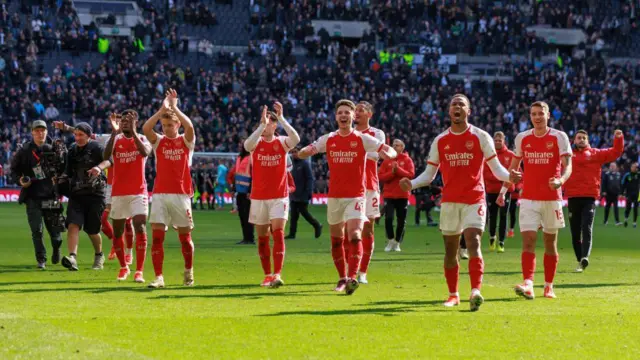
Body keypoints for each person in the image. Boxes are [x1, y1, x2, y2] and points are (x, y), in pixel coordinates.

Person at [399, 94, 520, 311]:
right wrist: (413, 184)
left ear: (468, 111)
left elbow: (496, 169)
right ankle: (453, 294)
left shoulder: (481, 136)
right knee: (450, 249)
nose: (457, 107)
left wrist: (509, 177)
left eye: (461, 104)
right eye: (454, 104)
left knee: (473, 241)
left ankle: (475, 291)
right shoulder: (440, 140)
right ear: (449, 111)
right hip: (450, 202)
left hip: (474, 198)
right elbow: (429, 174)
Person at [298, 99, 396, 295]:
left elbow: (386, 149)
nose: (343, 115)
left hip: (356, 196)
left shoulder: (362, 138)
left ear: (353, 117)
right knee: (336, 240)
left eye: (347, 113)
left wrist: (391, 153)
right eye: (340, 112)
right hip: (335, 197)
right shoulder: (329, 139)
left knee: (355, 234)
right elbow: (306, 151)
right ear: (336, 117)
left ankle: (353, 277)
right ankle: (342, 278)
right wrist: (305, 151)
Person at [499, 101, 572, 300]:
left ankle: (549, 285)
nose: (537, 117)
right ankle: (529, 284)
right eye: (533, 114)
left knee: (550, 242)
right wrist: (505, 188)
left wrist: (561, 180)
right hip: (528, 199)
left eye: (541, 113)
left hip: (552, 199)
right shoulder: (522, 138)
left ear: (548, 115)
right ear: (530, 116)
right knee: (528, 241)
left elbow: (568, 166)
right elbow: (513, 169)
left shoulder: (559, 137)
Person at [142, 89, 196, 288]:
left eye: (170, 125)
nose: (165, 129)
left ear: (177, 125)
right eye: (164, 125)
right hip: (160, 195)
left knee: (185, 238)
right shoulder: (159, 142)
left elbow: (190, 126)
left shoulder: (185, 141)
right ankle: (158, 277)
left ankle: (188, 272)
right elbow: (146, 128)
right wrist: (161, 110)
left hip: (181, 195)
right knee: (157, 237)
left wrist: (174, 107)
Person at [244, 102, 300, 288]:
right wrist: (261, 126)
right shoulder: (256, 143)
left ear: (275, 125)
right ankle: (267, 274)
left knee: (278, 233)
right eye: (263, 122)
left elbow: (296, 139)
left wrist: (282, 118)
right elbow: (246, 145)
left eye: (268, 123)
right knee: (262, 238)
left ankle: (277, 274)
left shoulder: (282, 142)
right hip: (259, 197)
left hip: (279, 196)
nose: (265, 125)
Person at [564, 129, 624, 272]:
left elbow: (616, 152)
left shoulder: (596, 154)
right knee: (574, 232)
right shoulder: (567, 156)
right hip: (572, 197)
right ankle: (580, 260)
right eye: (579, 137)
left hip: (589, 197)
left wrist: (618, 137)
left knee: (587, 227)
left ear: (588, 140)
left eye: (584, 137)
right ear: (574, 140)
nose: (582, 140)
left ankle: (585, 257)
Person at [103, 110, 152, 282]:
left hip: (138, 191)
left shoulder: (144, 139)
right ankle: (124, 267)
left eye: (129, 121)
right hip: (118, 192)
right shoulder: (116, 139)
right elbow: (105, 155)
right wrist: (114, 132)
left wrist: (134, 133)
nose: (124, 123)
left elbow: (145, 153)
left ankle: (139, 271)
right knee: (118, 231)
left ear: (136, 122)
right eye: (123, 120)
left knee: (140, 225)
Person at [10, 120, 63, 269]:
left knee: (55, 231)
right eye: (37, 130)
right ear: (32, 132)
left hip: (51, 196)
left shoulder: (56, 148)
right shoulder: (24, 150)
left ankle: (57, 247)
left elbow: (65, 168)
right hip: (32, 197)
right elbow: (13, 170)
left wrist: (59, 178)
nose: (40, 133)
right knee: (37, 231)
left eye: (43, 130)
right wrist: (20, 181)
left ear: (47, 132)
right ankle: (41, 259)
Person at [59, 122, 112, 271]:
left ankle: (99, 255)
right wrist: (60, 179)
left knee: (92, 230)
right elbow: (68, 172)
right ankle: (72, 258)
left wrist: (98, 167)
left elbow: (109, 160)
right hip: (76, 194)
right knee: (72, 225)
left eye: (81, 135)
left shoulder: (96, 147)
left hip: (96, 194)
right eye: (75, 134)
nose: (77, 137)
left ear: (89, 135)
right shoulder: (72, 150)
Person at [353, 101, 386, 284]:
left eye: (360, 110)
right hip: (349, 187)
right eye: (355, 110)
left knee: (367, 229)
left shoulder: (376, 133)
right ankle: (350, 269)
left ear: (369, 114)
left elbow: (379, 154)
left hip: (369, 186)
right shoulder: (345, 133)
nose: (356, 113)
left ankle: (363, 271)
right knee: (347, 230)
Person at [378, 139, 415, 256]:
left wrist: (397, 170)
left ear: (402, 147)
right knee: (388, 218)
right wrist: (392, 173)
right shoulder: (386, 161)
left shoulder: (407, 160)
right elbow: (381, 177)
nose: (394, 146)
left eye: (397, 145)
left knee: (401, 221)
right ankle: (390, 240)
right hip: (389, 194)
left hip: (402, 194)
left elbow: (411, 174)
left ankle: (397, 242)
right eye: (393, 145)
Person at [484, 131, 515, 253]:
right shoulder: (489, 156)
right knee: (492, 216)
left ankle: (501, 242)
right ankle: (492, 238)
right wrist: (502, 177)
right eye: (495, 140)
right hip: (492, 191)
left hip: (506, 190)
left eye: (499, 140)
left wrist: (508, 181)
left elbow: (518, 173)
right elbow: (485, 173)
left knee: (503, 216)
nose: (497, 142)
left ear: (504, 141)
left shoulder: (511, 155)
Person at [286, 147, 322, 240]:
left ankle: (317, 225)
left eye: (295, 152)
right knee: (293, 215)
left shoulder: (305, 164)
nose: (294, 154)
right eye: (292, 152)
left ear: (299, 152)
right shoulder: (291, 165)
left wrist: (309, 191)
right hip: (294, 194)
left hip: (303, 193)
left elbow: (310, 178)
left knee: (304, 212)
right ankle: (292, 234)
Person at [230, 144, 255, 245]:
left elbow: (253, 175)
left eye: (243, 145)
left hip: (247, 192)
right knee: (242, 216)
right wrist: (233, 188)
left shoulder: (251, 158)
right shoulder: (239, 158)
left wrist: (250, 191)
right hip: (239, 191)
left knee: (247, 216)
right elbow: (237, 174)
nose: (240, 147)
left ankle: (250, 238)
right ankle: (245, 237)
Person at [621, 163, 639, 228]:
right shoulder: (627, 175)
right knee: (628, 207)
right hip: (629, 194)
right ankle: (626, 219)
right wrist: (622, 193)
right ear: (631, 168)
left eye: (636, 167)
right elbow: (623, 184)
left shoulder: (638, 174)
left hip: (637, 194)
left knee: (635, 209)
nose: (634, 168)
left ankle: (634, 222)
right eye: (633, 167)